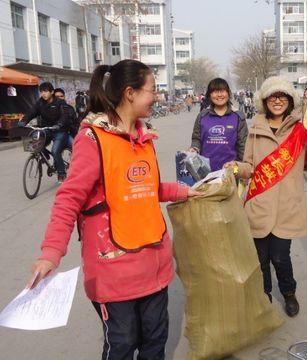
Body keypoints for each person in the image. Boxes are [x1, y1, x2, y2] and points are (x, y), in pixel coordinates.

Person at [27, 60, 200, 360]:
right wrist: (51, 252)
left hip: (155, 266)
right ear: (130, 93)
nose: (156, 97)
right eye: (153, 90)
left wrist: (187, 191)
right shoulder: (94, 139)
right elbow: (69, 198)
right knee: (121, 344)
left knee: (155, 342)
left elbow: (150, 188)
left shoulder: (144, 138)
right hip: (114, 270)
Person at [226, 76, 307, 317]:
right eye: (272, 96)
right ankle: (263, 297)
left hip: (287, 205)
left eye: (282, 96)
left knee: (280, 257)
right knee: (261, 260)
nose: (277, 100)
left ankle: (288, 293)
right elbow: (249, 165)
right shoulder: (256, 127)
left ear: (289, 100)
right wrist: (235, 167)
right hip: (259, 204)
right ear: (264, 101)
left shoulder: (300, 129)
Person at [190, 78, 248, 171]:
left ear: (228, 93)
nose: (219, 95)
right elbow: (196, 139)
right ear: (209, 95)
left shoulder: (238, 117)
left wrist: (241, 170)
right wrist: (194, 148)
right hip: (206, 172)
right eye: (215, 92)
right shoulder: (202, 116)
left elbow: (243, 146)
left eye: (222, 91)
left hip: (231, 172)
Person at [20, 82, 71, 183]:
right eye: (41, 92)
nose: (43, 94)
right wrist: (24, 121)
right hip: (46, 129)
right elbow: (32, 112)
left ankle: (61, 173)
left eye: (46, 91)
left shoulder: (60, 102)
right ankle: (45, 155)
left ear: (52, 92)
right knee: (33, 142)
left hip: (59, 130)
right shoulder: (40, 103)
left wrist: (59, 124)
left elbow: (65, 115)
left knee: (55, 151)